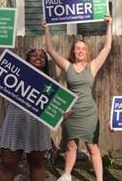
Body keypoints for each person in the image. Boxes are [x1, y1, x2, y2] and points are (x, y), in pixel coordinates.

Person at [42, 16, 112, 181]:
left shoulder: (92, 67)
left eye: (83, 49)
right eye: (77, 48)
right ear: (73, 51)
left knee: (92, 147)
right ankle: (67, 175)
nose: (80, 51)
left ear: (87, 51)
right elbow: (50, 50)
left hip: (89, 113)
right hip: (71, 112)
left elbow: (107, 48)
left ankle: (99, 179)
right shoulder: (67, 66)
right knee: (70, 145)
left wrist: (109, 25)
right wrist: (46, 28)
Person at [0, 48, 52, 181]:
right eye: (34, 55)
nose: (38, 57)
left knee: (36, 163)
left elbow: (55, 109)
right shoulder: (15, 73)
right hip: (14, 122)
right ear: (27, 59)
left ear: (46, 62)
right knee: (7, 164)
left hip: (38, 126)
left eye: (42, 56)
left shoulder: (50, 84)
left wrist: (62, 114)